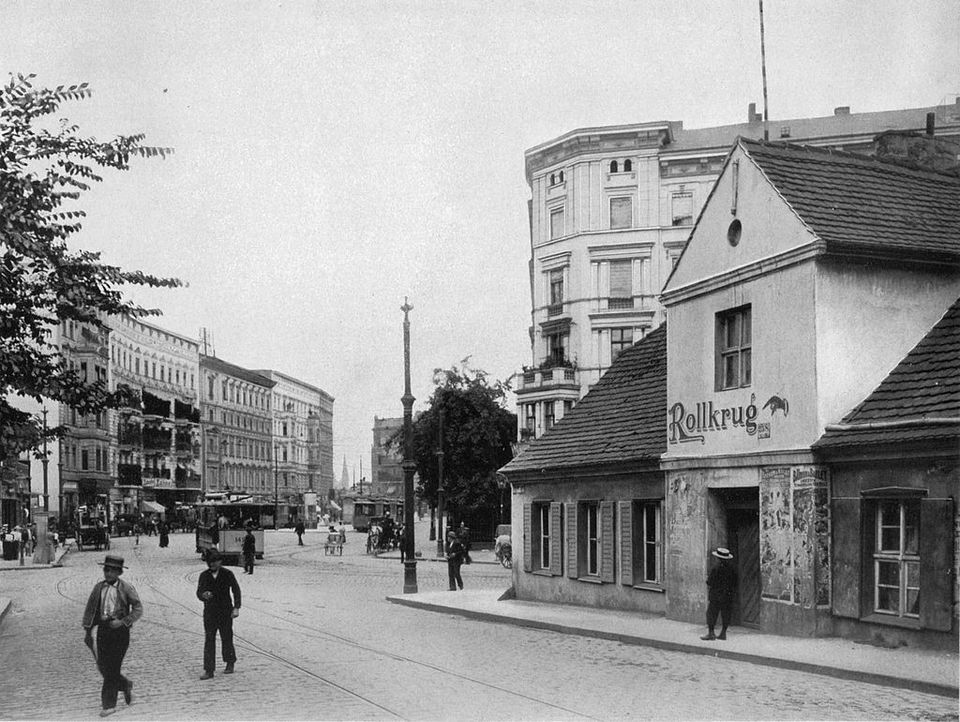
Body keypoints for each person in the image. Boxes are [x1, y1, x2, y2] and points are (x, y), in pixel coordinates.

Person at [81, 554, 143, 717]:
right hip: (103, 631)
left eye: (112, 571)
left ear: (119, 573)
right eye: (106, 570)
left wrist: (123, 621)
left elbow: (138, 609)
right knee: (103, 666)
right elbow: (90, 609)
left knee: (113, 667)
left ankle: (109, 704)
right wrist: (88, 631)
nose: (108, 573)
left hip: (120, 633)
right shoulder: (98, 588)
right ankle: (125, 684)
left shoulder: (126, 588)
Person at [196, 550, 241, 679]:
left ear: (220, 562)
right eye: (209, 563)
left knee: (226, 637)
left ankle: (230, 662)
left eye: (214, 562)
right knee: (209, 639)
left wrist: (236, 607)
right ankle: (209, 670)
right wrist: (203, 595)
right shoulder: (204, 575)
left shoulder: (227, 574)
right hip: (210, 612)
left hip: (225, 611)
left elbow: (236, 590)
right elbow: (199, 592)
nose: (212, 565)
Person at [701, 546, 737, 641]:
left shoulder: (715, 568)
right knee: (726, 614)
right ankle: (723, 633)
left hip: (716, 595)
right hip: (728, 595)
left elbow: (710, 582)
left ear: (718, 558)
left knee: (712, 613)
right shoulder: (732, 569)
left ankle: (711, 633)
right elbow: (735, 582)